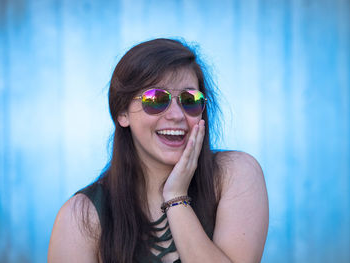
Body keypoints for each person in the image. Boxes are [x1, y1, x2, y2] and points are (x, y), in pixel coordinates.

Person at [48, 38, 269, 263]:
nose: (176, 115)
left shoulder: (236, 174)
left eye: (190, 99)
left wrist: (176, 198)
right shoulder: (80, 216)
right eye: (155, 100)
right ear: (122, 113)